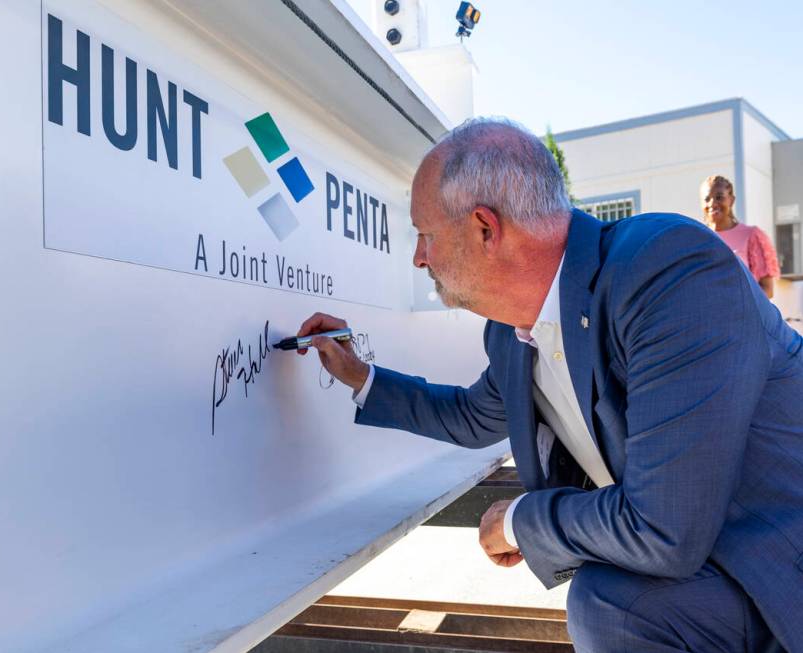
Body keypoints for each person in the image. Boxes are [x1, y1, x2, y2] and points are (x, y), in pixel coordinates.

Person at [296, 118, 803, 652]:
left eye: (424, 234)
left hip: (777, 575)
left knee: (603, 603)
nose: (419, 257)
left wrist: (518, 520)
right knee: (608, 601)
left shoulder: (667, 271)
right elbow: (472, 417)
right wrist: (357, 375)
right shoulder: (512, 330)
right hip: (710, 574)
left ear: (485, 229)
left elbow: (664, 528)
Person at [701, 174, 780, 298]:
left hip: (743, 314)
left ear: (731, 200)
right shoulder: (699, 238)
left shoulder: (752, 235)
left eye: (719, 197)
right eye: (707, 199)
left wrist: (737, 304)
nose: (712, 204)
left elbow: (767, 290)